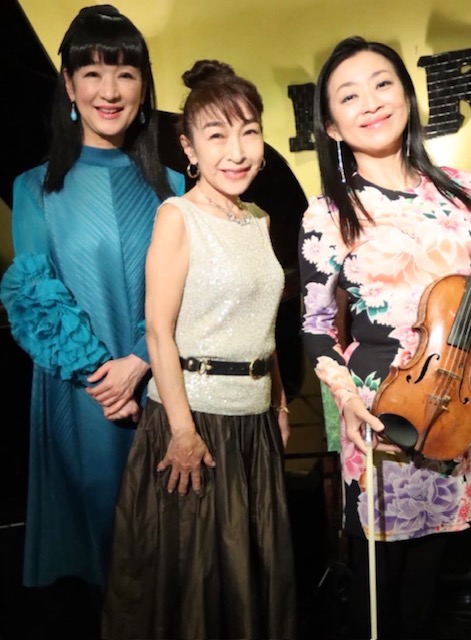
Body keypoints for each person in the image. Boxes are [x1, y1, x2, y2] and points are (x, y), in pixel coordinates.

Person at [0, 3, 184, 634]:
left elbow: (190, 292)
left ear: (144, 86)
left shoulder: (175, 186)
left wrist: (138, 361)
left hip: (162, 386)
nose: (110, 90)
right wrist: (104, 374)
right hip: (83, 398)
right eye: (94, 73)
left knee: (171, 558)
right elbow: (33, 292)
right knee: (105, 558)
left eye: (126, 73)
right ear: (70, 86)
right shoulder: (34, 188)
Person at [102, 59, 297, 640]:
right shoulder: (177, 216)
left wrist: (279, 403)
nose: (236, 151)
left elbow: (264, 322)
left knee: (249, 575)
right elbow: (158, 331)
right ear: (189, 147)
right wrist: (182, 431)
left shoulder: (259, 220)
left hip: (255, 422)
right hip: (196, 424)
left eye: (248, 132)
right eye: (216, 135)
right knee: (199, 581)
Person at [299, 36, 471, 640]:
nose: (370, 102)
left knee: (429, 586)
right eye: (349, 96)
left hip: (458, 410)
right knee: (379, 597)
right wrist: (346, 398)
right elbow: (316, 328)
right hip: (381, 415)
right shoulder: (329, 212)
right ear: (332, 125)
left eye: (382, 84)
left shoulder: (461, 192)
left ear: (407, 96)